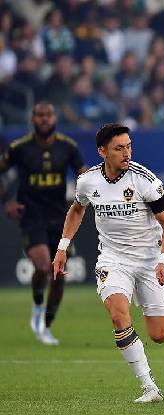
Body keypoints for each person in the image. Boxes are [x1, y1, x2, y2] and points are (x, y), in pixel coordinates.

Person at [52, 123, 164, 403]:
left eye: (129, 146)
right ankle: (149, 388)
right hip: (113, 259)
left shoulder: (145, 180)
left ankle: (145, 305)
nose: (127, 153)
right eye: (119, 148)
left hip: (148, 262)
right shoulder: (88, 181)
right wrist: (62, 247)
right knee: (119, 316)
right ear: (102, 152)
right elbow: (76, 209)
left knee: (159, 335)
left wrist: (162, 261)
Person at [0, 102, 87, 345]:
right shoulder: (19, 148)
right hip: (31, 215)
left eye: (48, 115)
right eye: (40, 115)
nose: (45, 119)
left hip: (60, 216)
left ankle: (46, 325)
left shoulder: (68, 147)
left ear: (55, 118)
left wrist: (86, 194)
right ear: (32, 119)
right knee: (42, 265)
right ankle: (38, 305)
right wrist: (7, 200)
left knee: (58, 274)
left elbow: (84, 173)